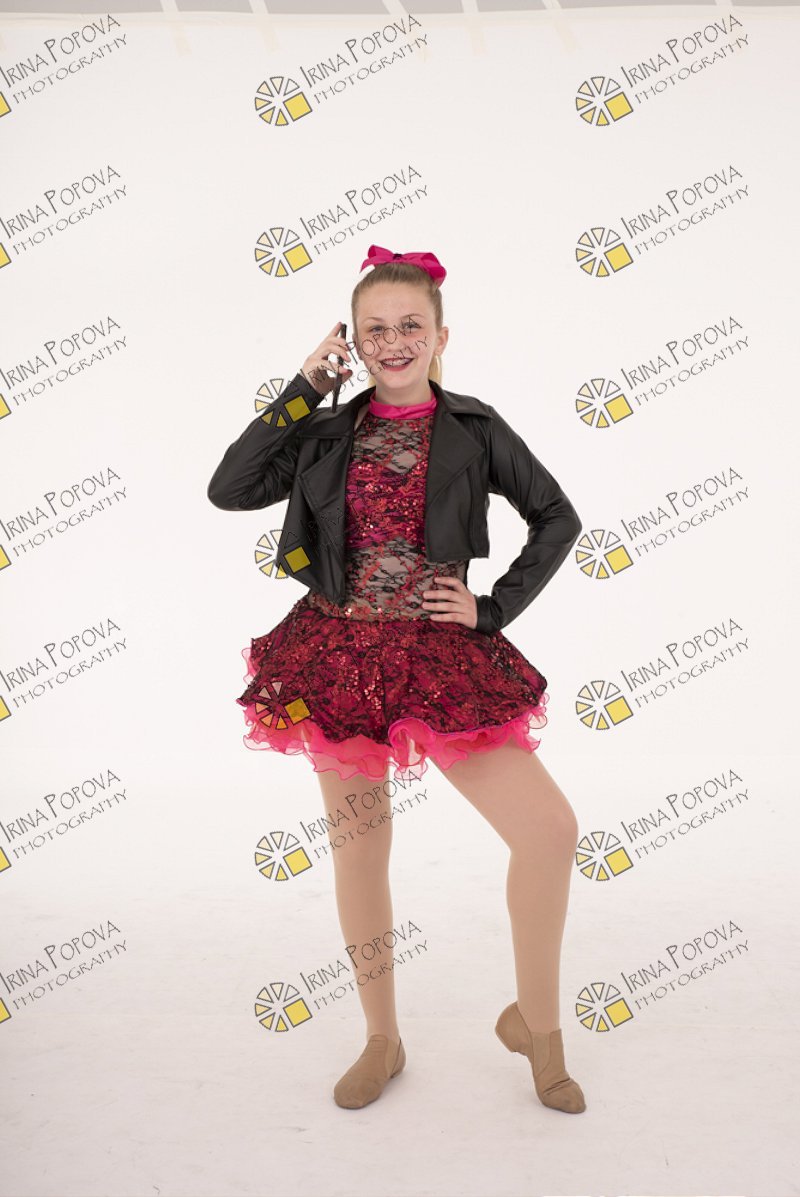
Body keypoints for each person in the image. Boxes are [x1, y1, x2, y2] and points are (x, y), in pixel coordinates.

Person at [207, 243, 586, 1114]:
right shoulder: (325, 428)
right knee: (360, 846)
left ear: (440, 335)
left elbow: (557, 517)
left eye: (410, 324)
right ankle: (382, 1035)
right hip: (337, 656)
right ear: (354, 341)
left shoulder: (476, 429)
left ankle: (538, 1026)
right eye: (374, 329)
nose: (393, 341)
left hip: (438, 656)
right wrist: (304, 386)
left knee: (549, 830)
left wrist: (491, 609)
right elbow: (231, 487)